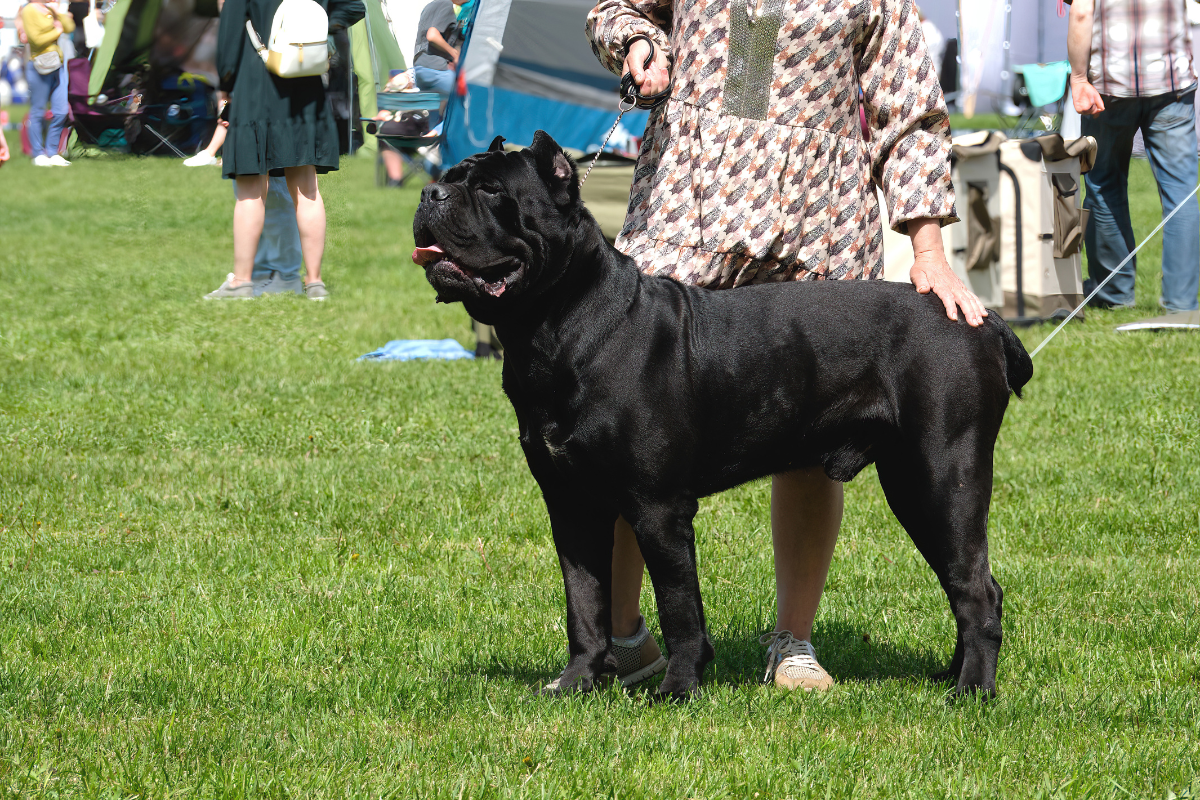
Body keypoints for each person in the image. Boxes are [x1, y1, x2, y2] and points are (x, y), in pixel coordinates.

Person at [583, 0, 986, 692]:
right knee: (630, 432)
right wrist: (638, 42)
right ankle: (626, 641)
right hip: (686, 202)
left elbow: (909, 103)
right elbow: (614, 10)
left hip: (816, 217)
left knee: (815, 438)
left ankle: (792, 643)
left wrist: (927, 247)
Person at [205, 0, 365, 300]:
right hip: (305, 79)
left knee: (251, 188)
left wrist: (225, 86)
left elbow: (229, 37)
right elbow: (355, 7)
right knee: (307, 188)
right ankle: (315, 283)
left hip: (257, 81)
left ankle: (241, 282)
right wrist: (314, 28)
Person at [1067, 0, 1200, 312]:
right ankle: (1182, 303)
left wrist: (1078, 78)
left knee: (1104, 185)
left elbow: (1081, 11)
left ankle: (1114, 293)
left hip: (1109, 87)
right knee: (1181, 194)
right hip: (1173, 86)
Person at [18, 0, 74, 167]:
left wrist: (59, 14)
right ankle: (38, 154)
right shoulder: (28, 10)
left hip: (58, 65)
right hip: (39, 66)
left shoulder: (51, 8)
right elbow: (35, 39)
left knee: (61, 111)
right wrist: (57, 30)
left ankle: (52, 152)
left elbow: (70, 27)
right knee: (38, 110)